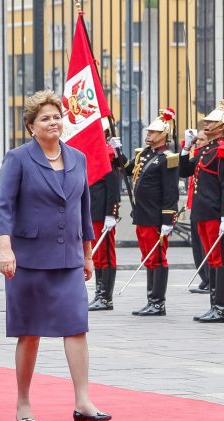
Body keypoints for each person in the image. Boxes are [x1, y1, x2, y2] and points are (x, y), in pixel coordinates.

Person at [0, 90, 111, 421]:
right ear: (31, 126)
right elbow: (3, 206)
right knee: (29, 332)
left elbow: (83, 209)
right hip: (28, 260)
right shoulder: (18, 159)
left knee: (77, 327)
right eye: (45, 118)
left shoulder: (78, 158)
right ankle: (23, 400)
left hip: (69, 258)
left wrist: (87, 253)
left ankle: (83, 401)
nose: (53, 122)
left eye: (56, 116)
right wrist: (5, 248)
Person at [180, 100, 224, 323]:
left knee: (220, 259)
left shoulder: (223, 152)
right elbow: (185, 170)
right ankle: (214, 304)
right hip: (202, 213)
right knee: (212, 259)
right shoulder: (205, 150)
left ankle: (222, 309)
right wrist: (186, 148)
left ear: (222, 126)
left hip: (215, 214)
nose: (207, 123)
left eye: (212, 121)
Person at [122, 109, 180, 316]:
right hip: (142, 215)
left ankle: (158, 303)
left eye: (154, 132)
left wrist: (167, 219)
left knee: (157, 258)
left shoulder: (169, 158)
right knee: (148, 257)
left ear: (163, 135)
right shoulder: (144, 154)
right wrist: (118, 153)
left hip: (157, 217)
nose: (149, 134)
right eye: (149, 131)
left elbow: (171, 192)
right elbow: (129, 170)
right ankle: (150, 300)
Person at [87, 118, 123, 311]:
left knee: (106, 255)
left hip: (103, 213)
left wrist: (112, 213)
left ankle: (106, 297)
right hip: (92, 212)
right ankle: (99, 293)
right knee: (97, 256)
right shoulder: (92, 154)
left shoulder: (107, 155)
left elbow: (113, 188)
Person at [187, 132, 211, 294]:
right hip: (194, 205)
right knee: (197, 246)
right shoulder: (197, 156)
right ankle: (204, 276)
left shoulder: (210, 157)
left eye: (201, 140)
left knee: (206, 245)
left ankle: (211, 278)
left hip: (206, 208)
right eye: (197, 140)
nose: (198, 143)